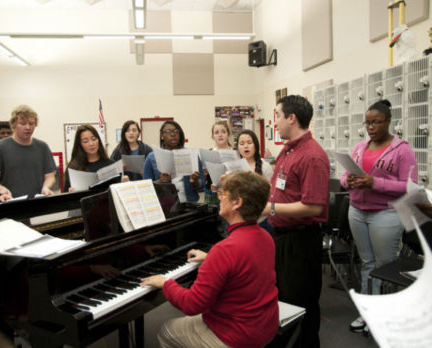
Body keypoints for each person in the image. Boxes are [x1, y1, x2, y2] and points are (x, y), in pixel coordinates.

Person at [141, 171, 278, 348]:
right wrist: (210, 258)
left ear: (237, 203)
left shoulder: (224, 250)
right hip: (265, 325)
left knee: (167, 330)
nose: (219, 198)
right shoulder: (266, 237)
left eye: (223, 194)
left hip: (237, 335)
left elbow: (191, 305)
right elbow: (243, 265)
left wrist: (165, 283)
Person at [340, 99, 417, 333]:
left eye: (376, 122)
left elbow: (409, 186)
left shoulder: (402, 150)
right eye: (368, 123)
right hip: (357, 211)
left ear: (389, 121)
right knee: (366, 264)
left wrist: (376, 183)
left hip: (386, 213)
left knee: (384, 266)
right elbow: (345, 177)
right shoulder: (360, 148)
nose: (371, 127)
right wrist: (348, 180)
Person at [263, 95, 330, 348]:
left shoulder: (312, 156)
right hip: (282, 237)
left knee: (301, 303)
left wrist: (270, 207)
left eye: (278, 115)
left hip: (301, 240)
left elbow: (313, 206)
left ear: (292, 118)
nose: (275, 122)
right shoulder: (289, 149)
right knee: (284, 298)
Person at [0, 105, 56, 200]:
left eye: (31, 124)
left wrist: (46, 187)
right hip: (10, 205)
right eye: (22, 123)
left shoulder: (42, 147)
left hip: (38, 204)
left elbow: (50, 177)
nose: (28, 127)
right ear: (13, 125)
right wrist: (2, 190)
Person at [143, 120, 204, 202]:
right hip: (165, 205)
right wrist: (160, 181)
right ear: (161, 135)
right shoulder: (151, 158)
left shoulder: (191, 155)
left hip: (190, 203)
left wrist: (195, 182)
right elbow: (145, 187)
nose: (173, 134)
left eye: (176, 131)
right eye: (168, 131)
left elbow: (202, 184)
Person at [64, 124, 127, 191]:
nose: (91, 143)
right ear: (80, 144)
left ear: (98, 140)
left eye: (93, 139)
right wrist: (70, 194)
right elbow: (64, 197)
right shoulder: (73, 168)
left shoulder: (111, 165)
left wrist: (125, 185)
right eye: (85, 141)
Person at [204, 120, 233, 204]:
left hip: (231, 193)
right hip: (212, 193)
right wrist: (204, 173)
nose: (220, 135)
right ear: (213, 137)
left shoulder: (235, 152)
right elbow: (205, 178)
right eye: (216, 133)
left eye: (223, 132)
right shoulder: (209, 153)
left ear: (228, 135)